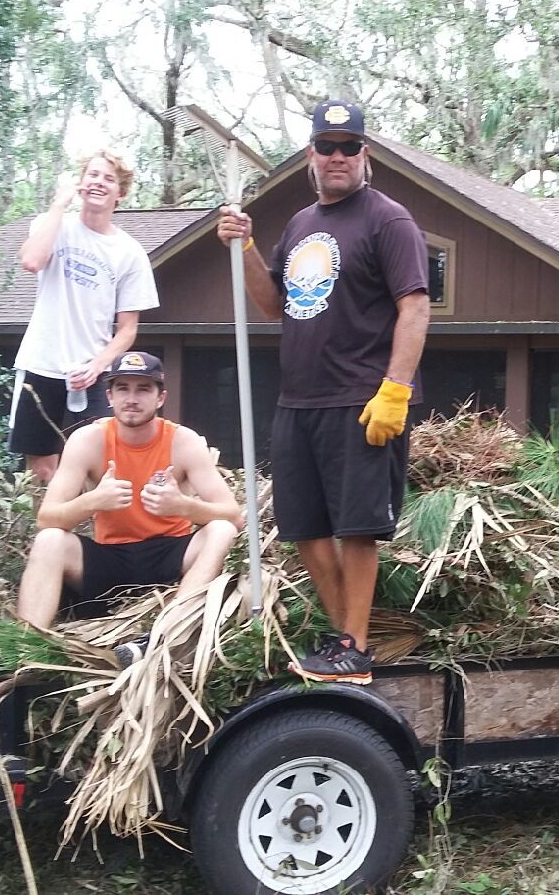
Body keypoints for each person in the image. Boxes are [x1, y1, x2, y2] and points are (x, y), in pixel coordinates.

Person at [214, 99, 430, 685]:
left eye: (349, 146)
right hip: (298, 402)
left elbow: (415, 305)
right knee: (306, 527)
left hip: (360, 398)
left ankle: (354, 645)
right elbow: (272, 305)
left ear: (365, 154)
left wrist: (395, 390)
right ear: (311, 153)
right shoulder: (301, 224)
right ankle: (347, 642)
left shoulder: (389, 221)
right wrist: (247, 247)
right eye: (327, 146)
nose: (338, 157)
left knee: (357, 527)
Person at [0, 351, 243, 667]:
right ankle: (24, 644)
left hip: (170, 557)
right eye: (123, 388)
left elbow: (232, 515)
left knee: (220, 530)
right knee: (50, 539)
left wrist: (183, 506)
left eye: (143, 389)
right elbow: (47, 518)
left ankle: (164, 637)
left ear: (160, 397)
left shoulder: (183, 441)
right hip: (109, 561)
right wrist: (94, 502)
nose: (132, 398)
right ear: (109, 396)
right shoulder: (87, 440)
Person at [9, 150, 160, 484]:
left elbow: (128, 329)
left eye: (108, 179)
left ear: (120, 194)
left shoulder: (129, 253)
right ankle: (47, 535)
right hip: (41, 364)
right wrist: (59, 205)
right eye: (92, 175)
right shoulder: (53, 226)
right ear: (81, 182)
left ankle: (95, 535)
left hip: (92, 373)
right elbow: (32, 261)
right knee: (41, 469)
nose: (98, 183)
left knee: (97, 465)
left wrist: (96, 366)